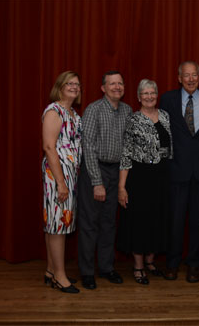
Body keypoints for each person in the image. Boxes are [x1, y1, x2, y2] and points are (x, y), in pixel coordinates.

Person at [159, 61, 199, 283]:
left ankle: (194, 264)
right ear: (179, 78)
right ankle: (172, 264)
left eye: (194, 75)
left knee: (197, 221)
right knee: (174, 221)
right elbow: (162, 133)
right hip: (176, 170)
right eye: (187, 75)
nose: (191, 79)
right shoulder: (167, 99)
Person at [78, 71, 132, 290]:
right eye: (112, 84)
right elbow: (88, 147)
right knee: (90, 223)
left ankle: (107, 268)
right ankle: (87, 271)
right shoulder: (93, 110)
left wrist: (121, 182)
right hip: (95, 171)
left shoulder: (128, 110)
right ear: (103, 88)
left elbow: (128, 147)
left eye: (120, 83)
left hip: (116, 172)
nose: (117, 87)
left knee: (109, 223)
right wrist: (96, 182)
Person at [117, 79, 173, 285]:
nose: (149, 97)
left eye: (153, 93)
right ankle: (138, 266)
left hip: (162, 176)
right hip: (140, 176)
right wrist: (122, 187)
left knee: (158, 218)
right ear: (139, 97)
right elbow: (126, 153)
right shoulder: (133, 120)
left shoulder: (165, 116)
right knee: (140, 221)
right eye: (145, 94)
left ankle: (150, 262)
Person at [41, 71, 82, 294]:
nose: (74, 87)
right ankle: (60, 276)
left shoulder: (73, 113)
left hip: (70, 175)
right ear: (60, 86)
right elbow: (49, 147)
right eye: (70, 83)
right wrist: (60, 182)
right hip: (58, 174)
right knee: (58, 226)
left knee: (56, 223)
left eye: (77, 84)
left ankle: (50, 270)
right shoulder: (54, 111)